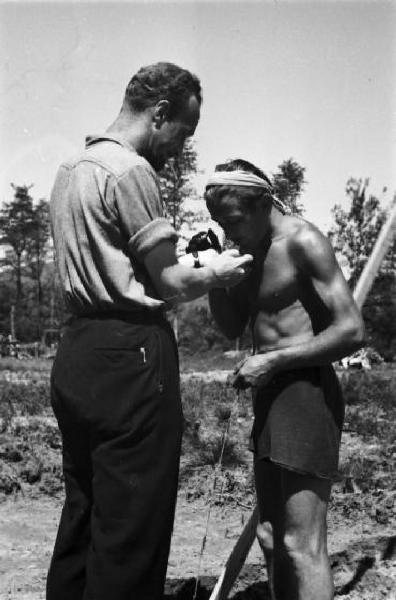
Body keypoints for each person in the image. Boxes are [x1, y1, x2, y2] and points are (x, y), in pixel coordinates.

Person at [47, 63, 253, 600]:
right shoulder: (131, 170)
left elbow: (118, 264)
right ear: (160, 113)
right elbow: (168, 283)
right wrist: (218, 273)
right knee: (132, 522)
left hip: (77, 353)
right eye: (183, 131)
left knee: (85, 508)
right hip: (132, 353)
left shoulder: (71, 168)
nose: (181, 145)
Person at [204, 158, 365, 600]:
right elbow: (232, 324)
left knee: (302, 543)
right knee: (272, 536)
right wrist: (215, 276)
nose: (228, 231)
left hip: (306, 393)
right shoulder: (247, 248)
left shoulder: (303, 241)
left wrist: (274, 362)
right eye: (220, 223)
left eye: (233, 221)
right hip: (270, 394)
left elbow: (353, 329)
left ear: (263, 203)